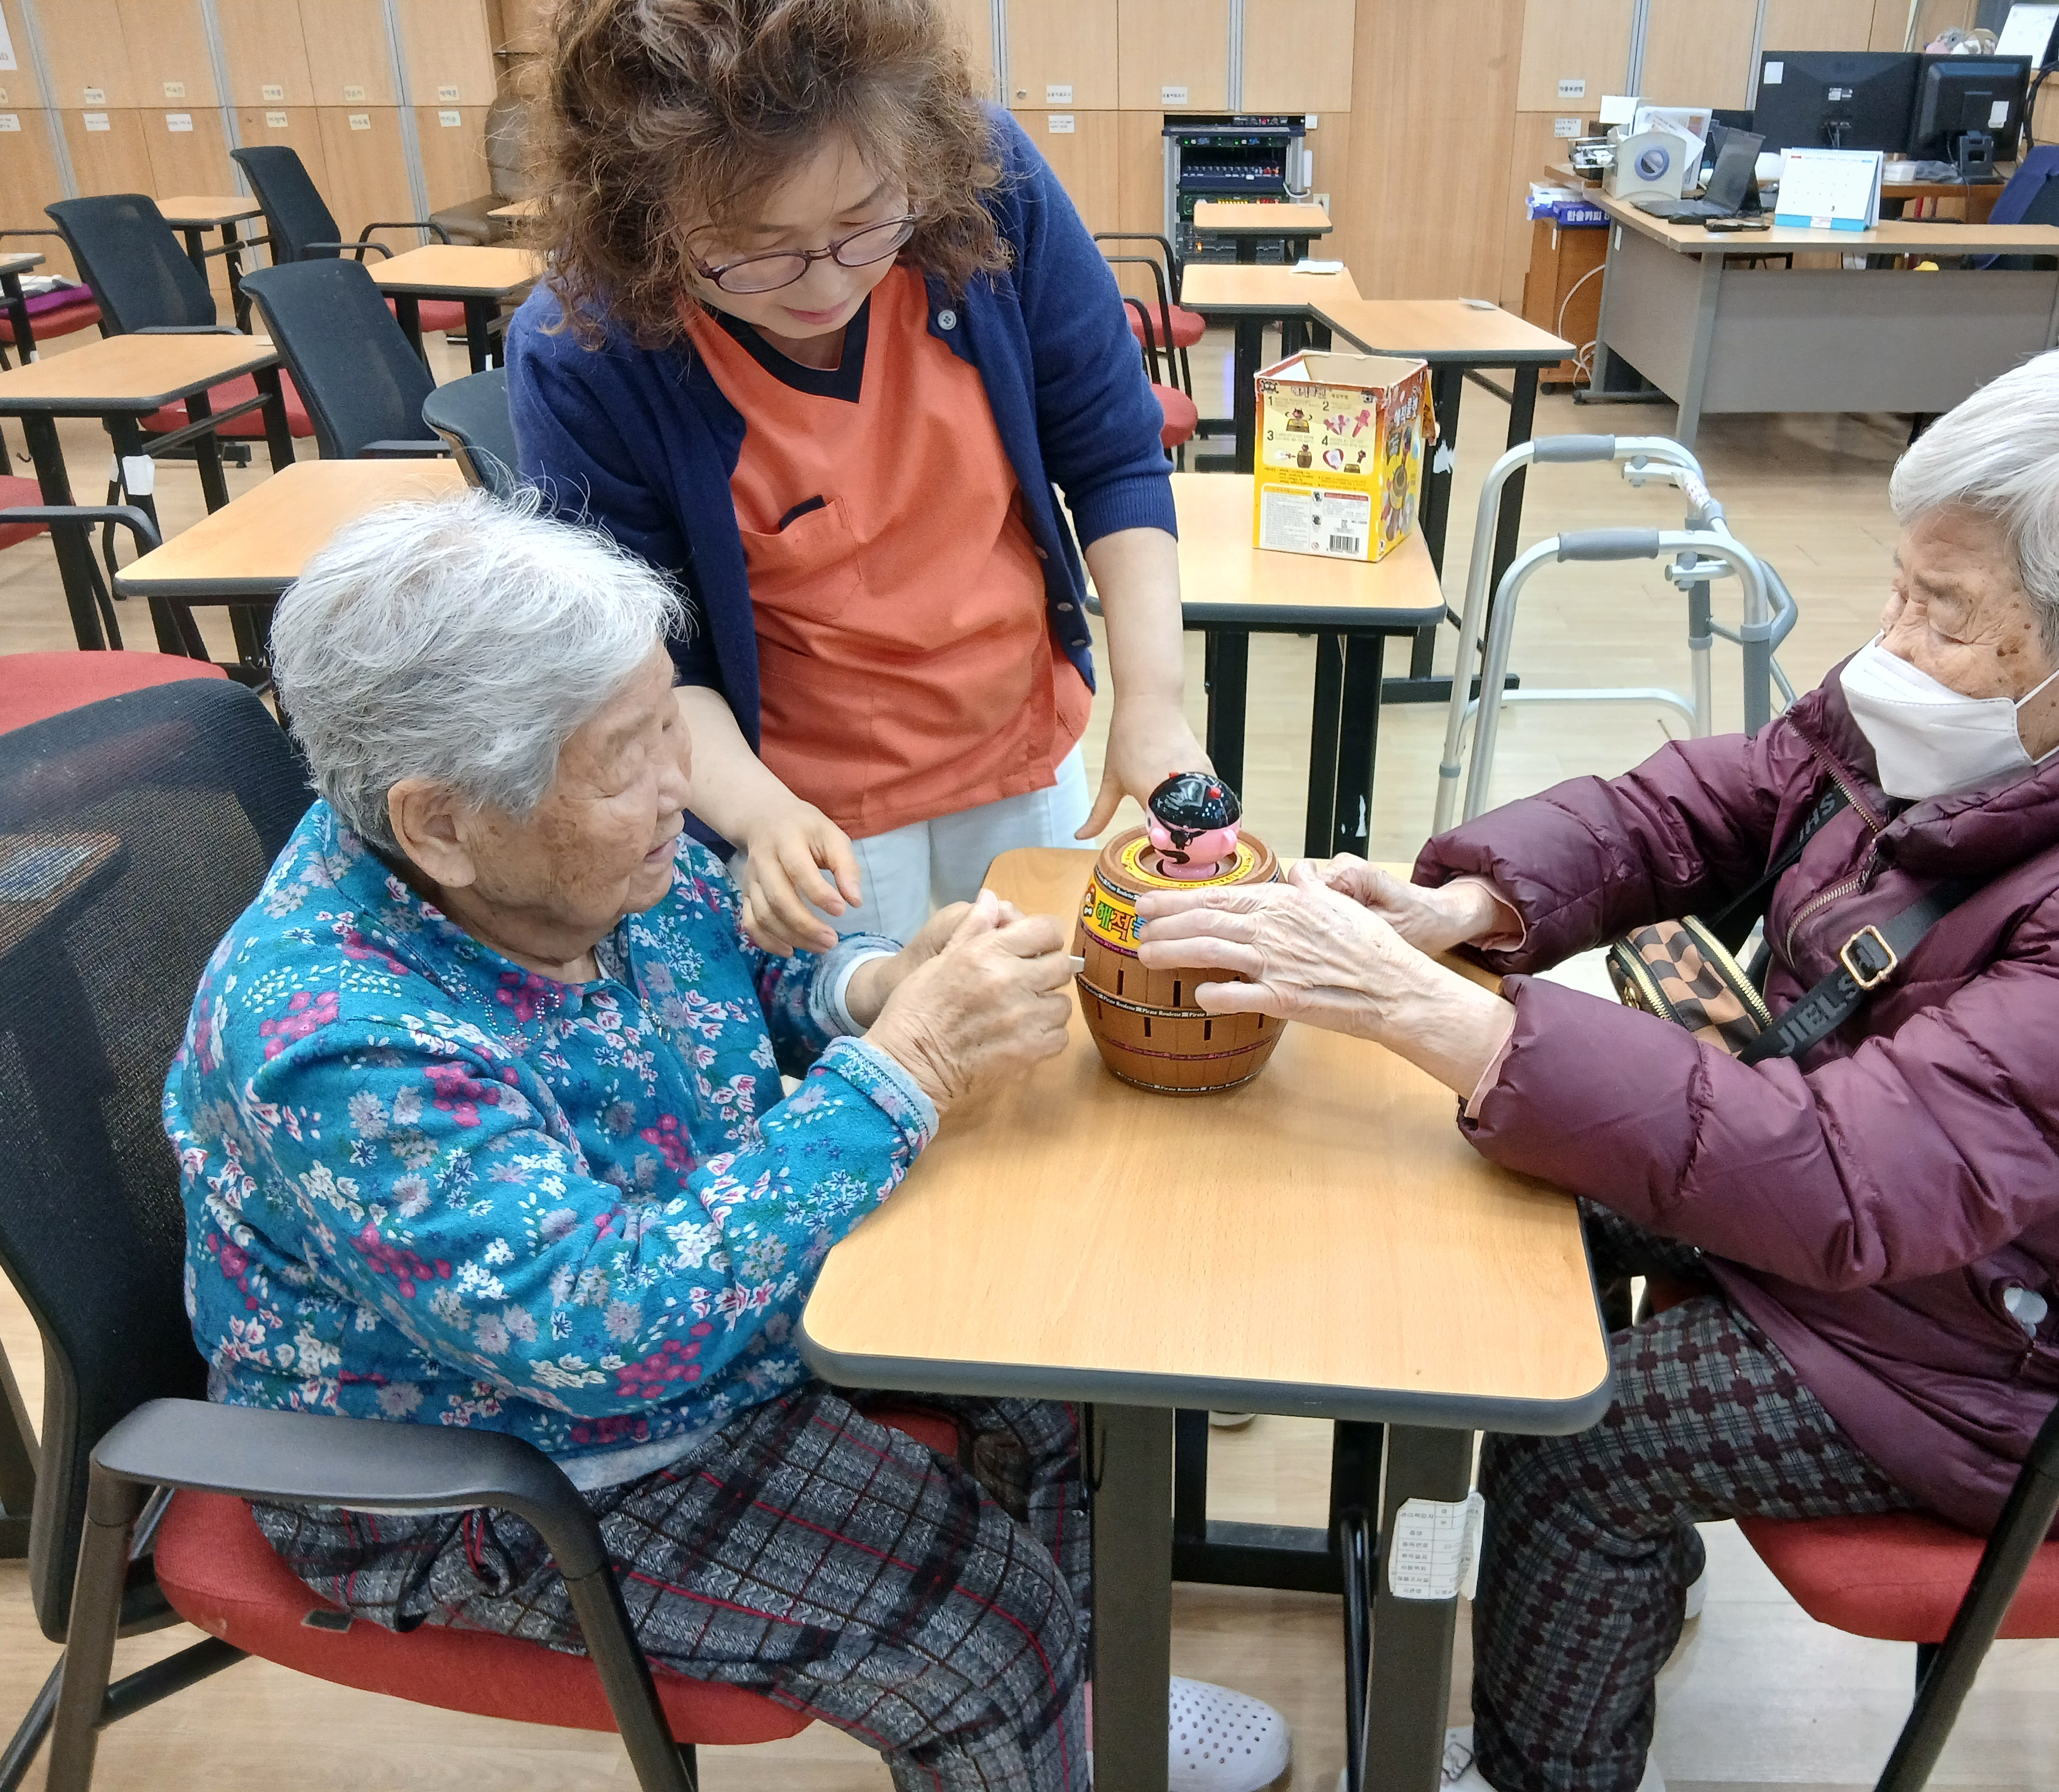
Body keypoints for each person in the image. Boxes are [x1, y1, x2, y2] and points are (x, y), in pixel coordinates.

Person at [1133, 335, 2059, 1792]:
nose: (1890, 641)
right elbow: (1744, 794)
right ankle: (1604, 1603)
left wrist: (1447, 1019)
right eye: (1901, 584)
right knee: (1483, 1206)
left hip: (2032, 1347)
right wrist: (1477, 903)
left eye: (1943, 611)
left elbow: (1858, 1181)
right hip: (1920, 1211)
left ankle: (1549, 1764)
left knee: (1581, 1442)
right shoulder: (2014, 705)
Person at [164, 492, 1249, 1792]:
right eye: (629, 756)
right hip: (492, 1458)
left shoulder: (559, 852)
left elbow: (729, 962)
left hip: (685, 1296)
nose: (681, 784)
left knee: (1056, 1375)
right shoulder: (338, 1040)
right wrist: (906, 1071)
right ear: (440, 823)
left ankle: (1070, 1717)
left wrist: (869, 988)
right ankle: (1035, 1693)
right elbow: (605, 1333)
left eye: (665, 722)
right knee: (985, 1630)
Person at [509, 0, 1208, 953]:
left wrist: (1153, 703)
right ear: (646, 223)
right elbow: (645, 651)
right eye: (757, 249)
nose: (827, 284)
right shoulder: (590, 348)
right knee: (875, 1023)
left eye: (865, 221)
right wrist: (762, 817)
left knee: (1045, 999)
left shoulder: (985, 185)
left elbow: (1114, 456)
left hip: (1016, 738)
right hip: (807, 799)